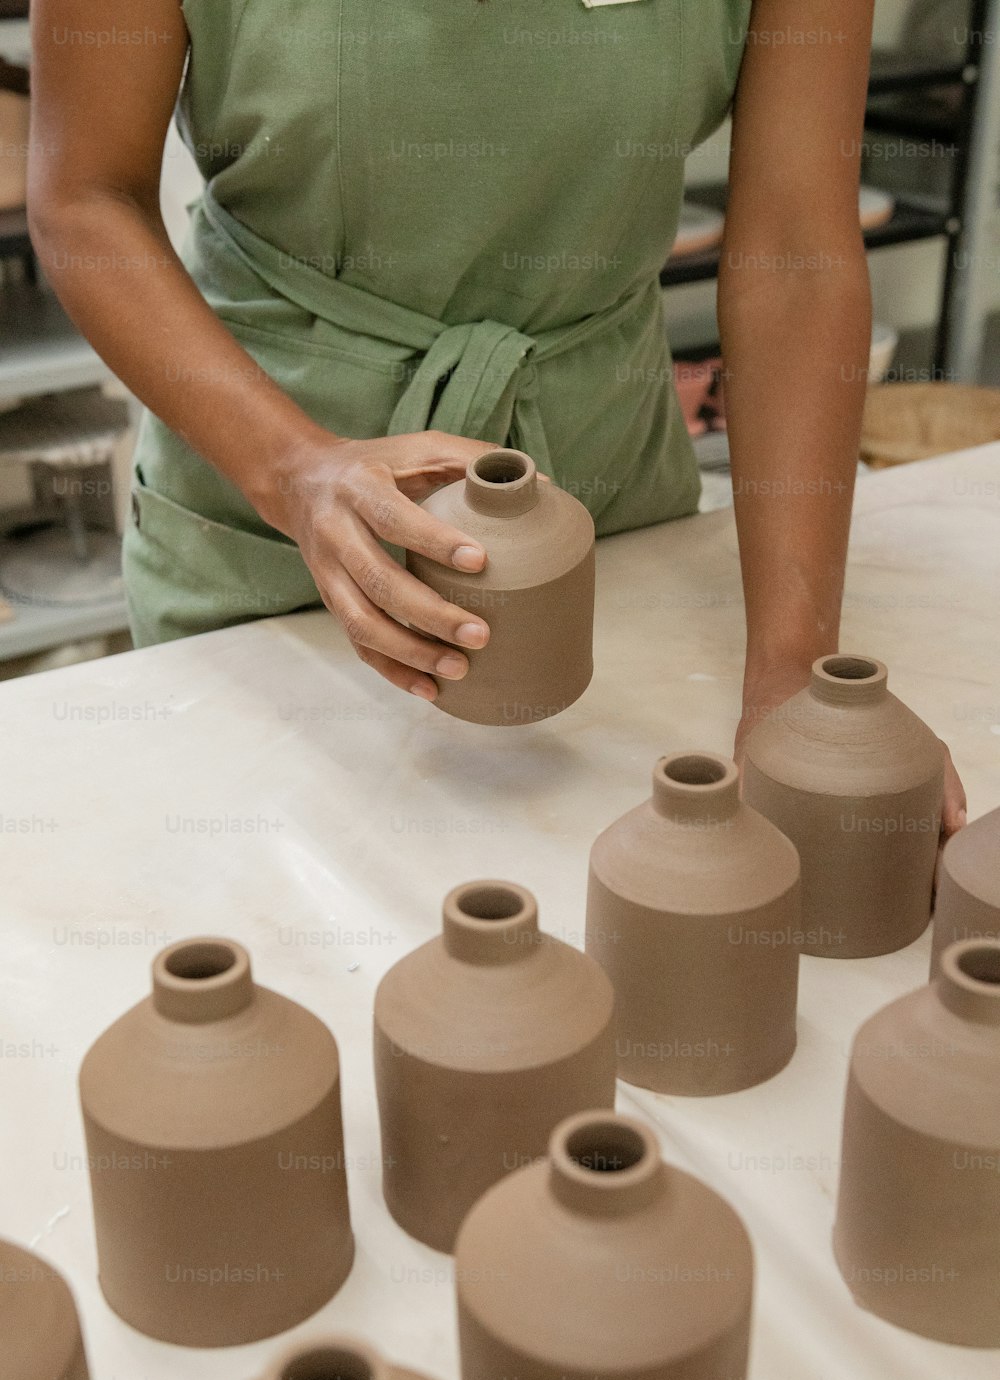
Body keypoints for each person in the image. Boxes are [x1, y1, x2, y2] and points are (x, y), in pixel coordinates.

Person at [27, 0, 965, 834]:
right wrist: (295, 469)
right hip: (262, 504)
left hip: (605, 503)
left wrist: (796, 664)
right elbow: (84, 198)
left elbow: (796, 253)